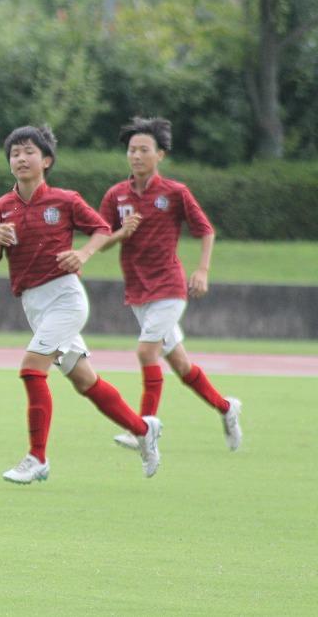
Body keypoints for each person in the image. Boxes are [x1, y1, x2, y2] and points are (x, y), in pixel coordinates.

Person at [0, 125, 162, 484]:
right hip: (34, 304)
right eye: (15, 153)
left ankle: (37, 458)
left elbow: (102, 229)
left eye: (29, 152)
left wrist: (83, 253)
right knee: (84, 380)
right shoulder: (1, 208)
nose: (21, 158)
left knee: (32, 369)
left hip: (66, 297)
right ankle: (143, 430)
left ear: (46, 160)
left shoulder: (64, 200)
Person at [99, 116, 242, 452]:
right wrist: (122, 233)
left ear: (160, 154)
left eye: (143, 150)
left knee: (145, 351)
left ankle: (143, 427)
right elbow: (101, 240)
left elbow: (205, 230)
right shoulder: (116, 195)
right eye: (132, 150)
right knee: (180, 365)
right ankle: (226, 408)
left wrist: (202, 270)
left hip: (169, 288)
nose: (136, 156)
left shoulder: (175, 192)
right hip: (137, 290)